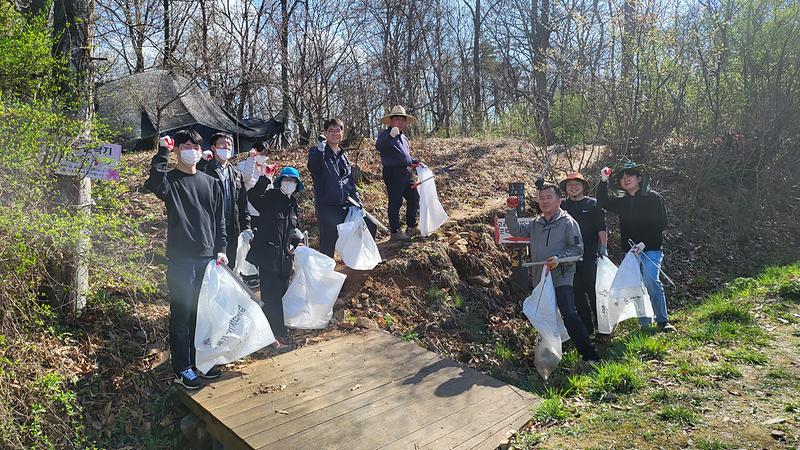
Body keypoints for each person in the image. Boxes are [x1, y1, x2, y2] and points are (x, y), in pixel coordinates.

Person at [143, 129, 227, 389]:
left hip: (207, 260)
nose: (191, 149)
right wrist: (162, 153)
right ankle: (183, 368)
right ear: (178, 149)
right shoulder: (171, 181)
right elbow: (155, 183)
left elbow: (219, 221)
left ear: (201, 150)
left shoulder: (211, 183)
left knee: (203, 315)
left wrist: (221, 248)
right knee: (181, 314)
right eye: (185, 145)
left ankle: (201, 361)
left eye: (195, 145)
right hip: (181, 260)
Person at [506, 184, 600, 364]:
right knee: (544, 315)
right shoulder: (535, 223)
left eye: (549, 197)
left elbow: (577, 249)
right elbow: (516, 230)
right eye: (542, 198)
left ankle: (590, 355)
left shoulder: (568, 222)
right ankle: (547, 355)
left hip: (562, 276)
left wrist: (559, 258)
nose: (545, 201)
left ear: (559, 200)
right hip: (540, 278)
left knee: (569, 313)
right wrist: (511, 210)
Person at [598, 162, 675, 332]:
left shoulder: (653, 198)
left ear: (639, 179)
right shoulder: (623, 202)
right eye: (623, 177)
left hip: (651, 249)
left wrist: (644, 243)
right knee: (636, 285)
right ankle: (645, 323)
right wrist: (604, 179)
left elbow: (661, 223)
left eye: (630, 176)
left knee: (650, 280)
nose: (626, 180)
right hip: (631, 252)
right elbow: (603, 202)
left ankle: (663, 320)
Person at [247, 167, 305, 351]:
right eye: (286, 180)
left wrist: (297, 242)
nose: (290, 183)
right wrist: (265, 178)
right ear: (280, 181)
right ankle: (273, 334)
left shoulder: (293, 203)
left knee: (282, 295)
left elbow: (293, 227)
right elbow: (252, 196)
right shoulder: (270, 197)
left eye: (293, 181)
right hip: (268, 256)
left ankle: (281, 329)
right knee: (270, 297)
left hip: (284, 258)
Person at [307, 118, 375, 257]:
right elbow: (313, 167)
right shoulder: (317, 151)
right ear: (325, 133)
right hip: (327, 206)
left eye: (338, 130)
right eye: (330, 130)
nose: (335, 133)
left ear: (342, 132)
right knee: (328, 243)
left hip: (346, 205)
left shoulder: (343, 156)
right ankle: (326, 275)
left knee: (369, 225)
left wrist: (357, 201)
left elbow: (350, 182)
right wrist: (320, 149)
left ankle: (364, 261)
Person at [560, 172, 608, 334]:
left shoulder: (593, 203)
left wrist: (603, 247)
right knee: (577, 295)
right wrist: (539, 189)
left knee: (595, 293)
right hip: (569, 258)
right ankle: (588, 329)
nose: (573, 187)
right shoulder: (562, 206)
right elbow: (542, 203)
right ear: (566, 189)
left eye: (577, 184)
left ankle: (603, 327)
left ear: (584, 187)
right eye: (570, 185)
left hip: (589, 256)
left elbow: (601, 226)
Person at [200, 132, 251, 269]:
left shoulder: (235, 173)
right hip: (212, 228)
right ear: (213, 147)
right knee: (211, 266)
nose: (227, 147)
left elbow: (242, 202)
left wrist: (246, 226)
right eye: (222, 144)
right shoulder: (206, 169)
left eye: (229, 145)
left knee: (230, 267)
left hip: (232, 227)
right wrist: (202, 161)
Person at [375, 105, 421, 241]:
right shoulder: (385, 135)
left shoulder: (404, 138)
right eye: (397, 119)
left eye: (402, 120)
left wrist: (414, 161)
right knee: (395, 201)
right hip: (393, 172)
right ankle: (395, 231)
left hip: (406, 172)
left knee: (414, 198)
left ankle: (411, 227)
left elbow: (404, 155)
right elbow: (379, 146)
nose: (400, 122)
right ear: (391, 121)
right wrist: (390, 136)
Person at [237, 141, 277, 287]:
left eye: (265, 154)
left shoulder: (266, 167)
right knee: (250, 243)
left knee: (263, 242)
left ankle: (261, 273)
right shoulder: (243, 165)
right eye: (260, 153)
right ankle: (249, 275)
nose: (263, 156)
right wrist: (251, 159)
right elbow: (245, 179)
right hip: (249, 210)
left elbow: (270, 188)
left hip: (264, 211)